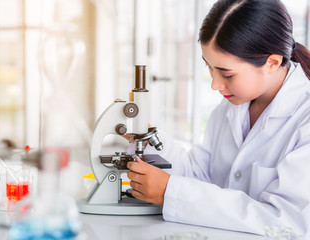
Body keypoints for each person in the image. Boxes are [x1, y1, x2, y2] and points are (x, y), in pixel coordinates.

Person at [127, 0, 310, 237]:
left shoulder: (304, 119)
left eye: (227, 74)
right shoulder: (229, 109)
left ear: (272, 63)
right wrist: (149, 138)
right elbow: (202, 176)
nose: (215, 85)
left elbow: (288, 221)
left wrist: (172, 193)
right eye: (209, 68)